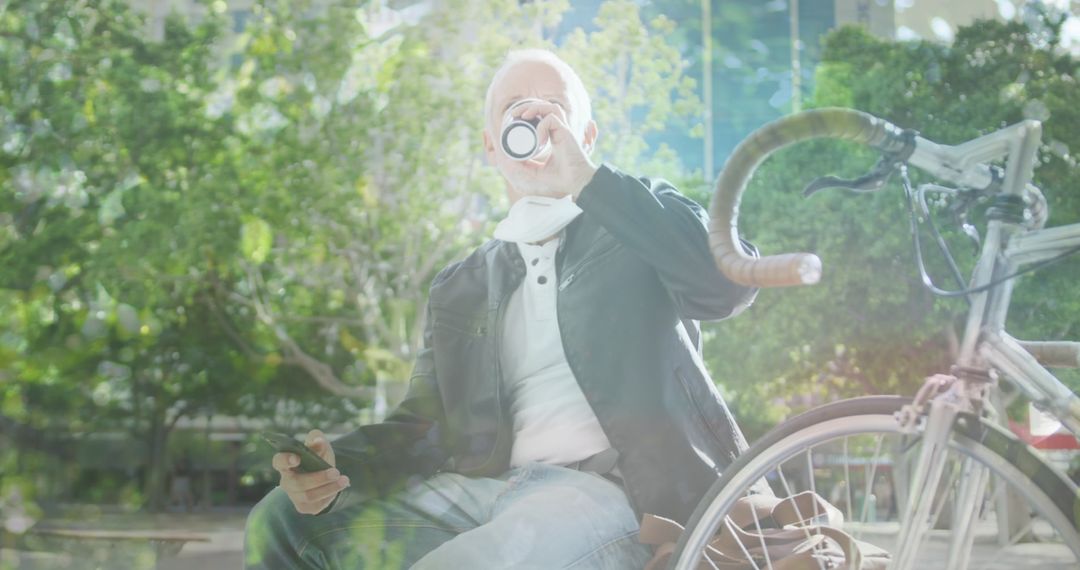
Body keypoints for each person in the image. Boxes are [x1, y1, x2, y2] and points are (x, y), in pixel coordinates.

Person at [244, 48, 758, 569]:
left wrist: (588, 180)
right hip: (486, 493)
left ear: (586, 135)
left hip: (614, 496)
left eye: (554, 107)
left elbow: (727, 286)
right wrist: (338, 467)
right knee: (281, 522)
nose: (534, 118)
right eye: (516, 107)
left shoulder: (640, 218)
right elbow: (422, 428)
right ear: (492, 144)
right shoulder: (461, 285)